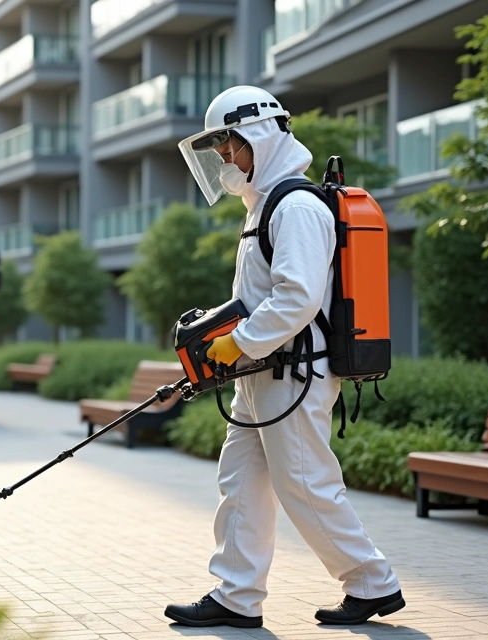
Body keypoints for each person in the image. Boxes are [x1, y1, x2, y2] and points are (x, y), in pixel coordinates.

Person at [163, 86, 404, 628]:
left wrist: (239, 342)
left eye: (229, 145)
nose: (225, 158)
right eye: (219, 149)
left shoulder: (295, 206)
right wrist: (227, 339)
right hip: (262, 371)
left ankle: (373, 582)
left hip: (293, 373)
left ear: (260, 136)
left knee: (304, 482)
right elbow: (259, 296)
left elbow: (296, 297)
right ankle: (236, 596)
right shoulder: (263, 205)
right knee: (241, 480)